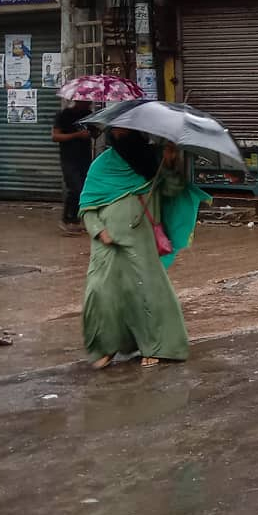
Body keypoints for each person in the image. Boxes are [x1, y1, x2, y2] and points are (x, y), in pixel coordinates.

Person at [79, 128, 210, 369]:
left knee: (147, 292)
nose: (121, 132)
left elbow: (173, 191)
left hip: (141, 241)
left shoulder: (152, 161)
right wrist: (99, 230)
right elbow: (87, 205)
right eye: (117, 129)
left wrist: (170, 165)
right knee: (100, 293)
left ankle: (160, 347)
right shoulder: (102, 164)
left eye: (126, 129)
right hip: (106, 246)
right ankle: (104, 347)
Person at [52, 99, 94, 236]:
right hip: (69, 158)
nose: (90, 103)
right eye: (87, 101)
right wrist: (77, 135)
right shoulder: (64, 115)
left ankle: (74, 221)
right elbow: (55, 136)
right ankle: (66, 220)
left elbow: (93, 133)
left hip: (85, 157)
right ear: (78, 100)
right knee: (75, 188)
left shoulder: (89, 114)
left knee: (83, 189)